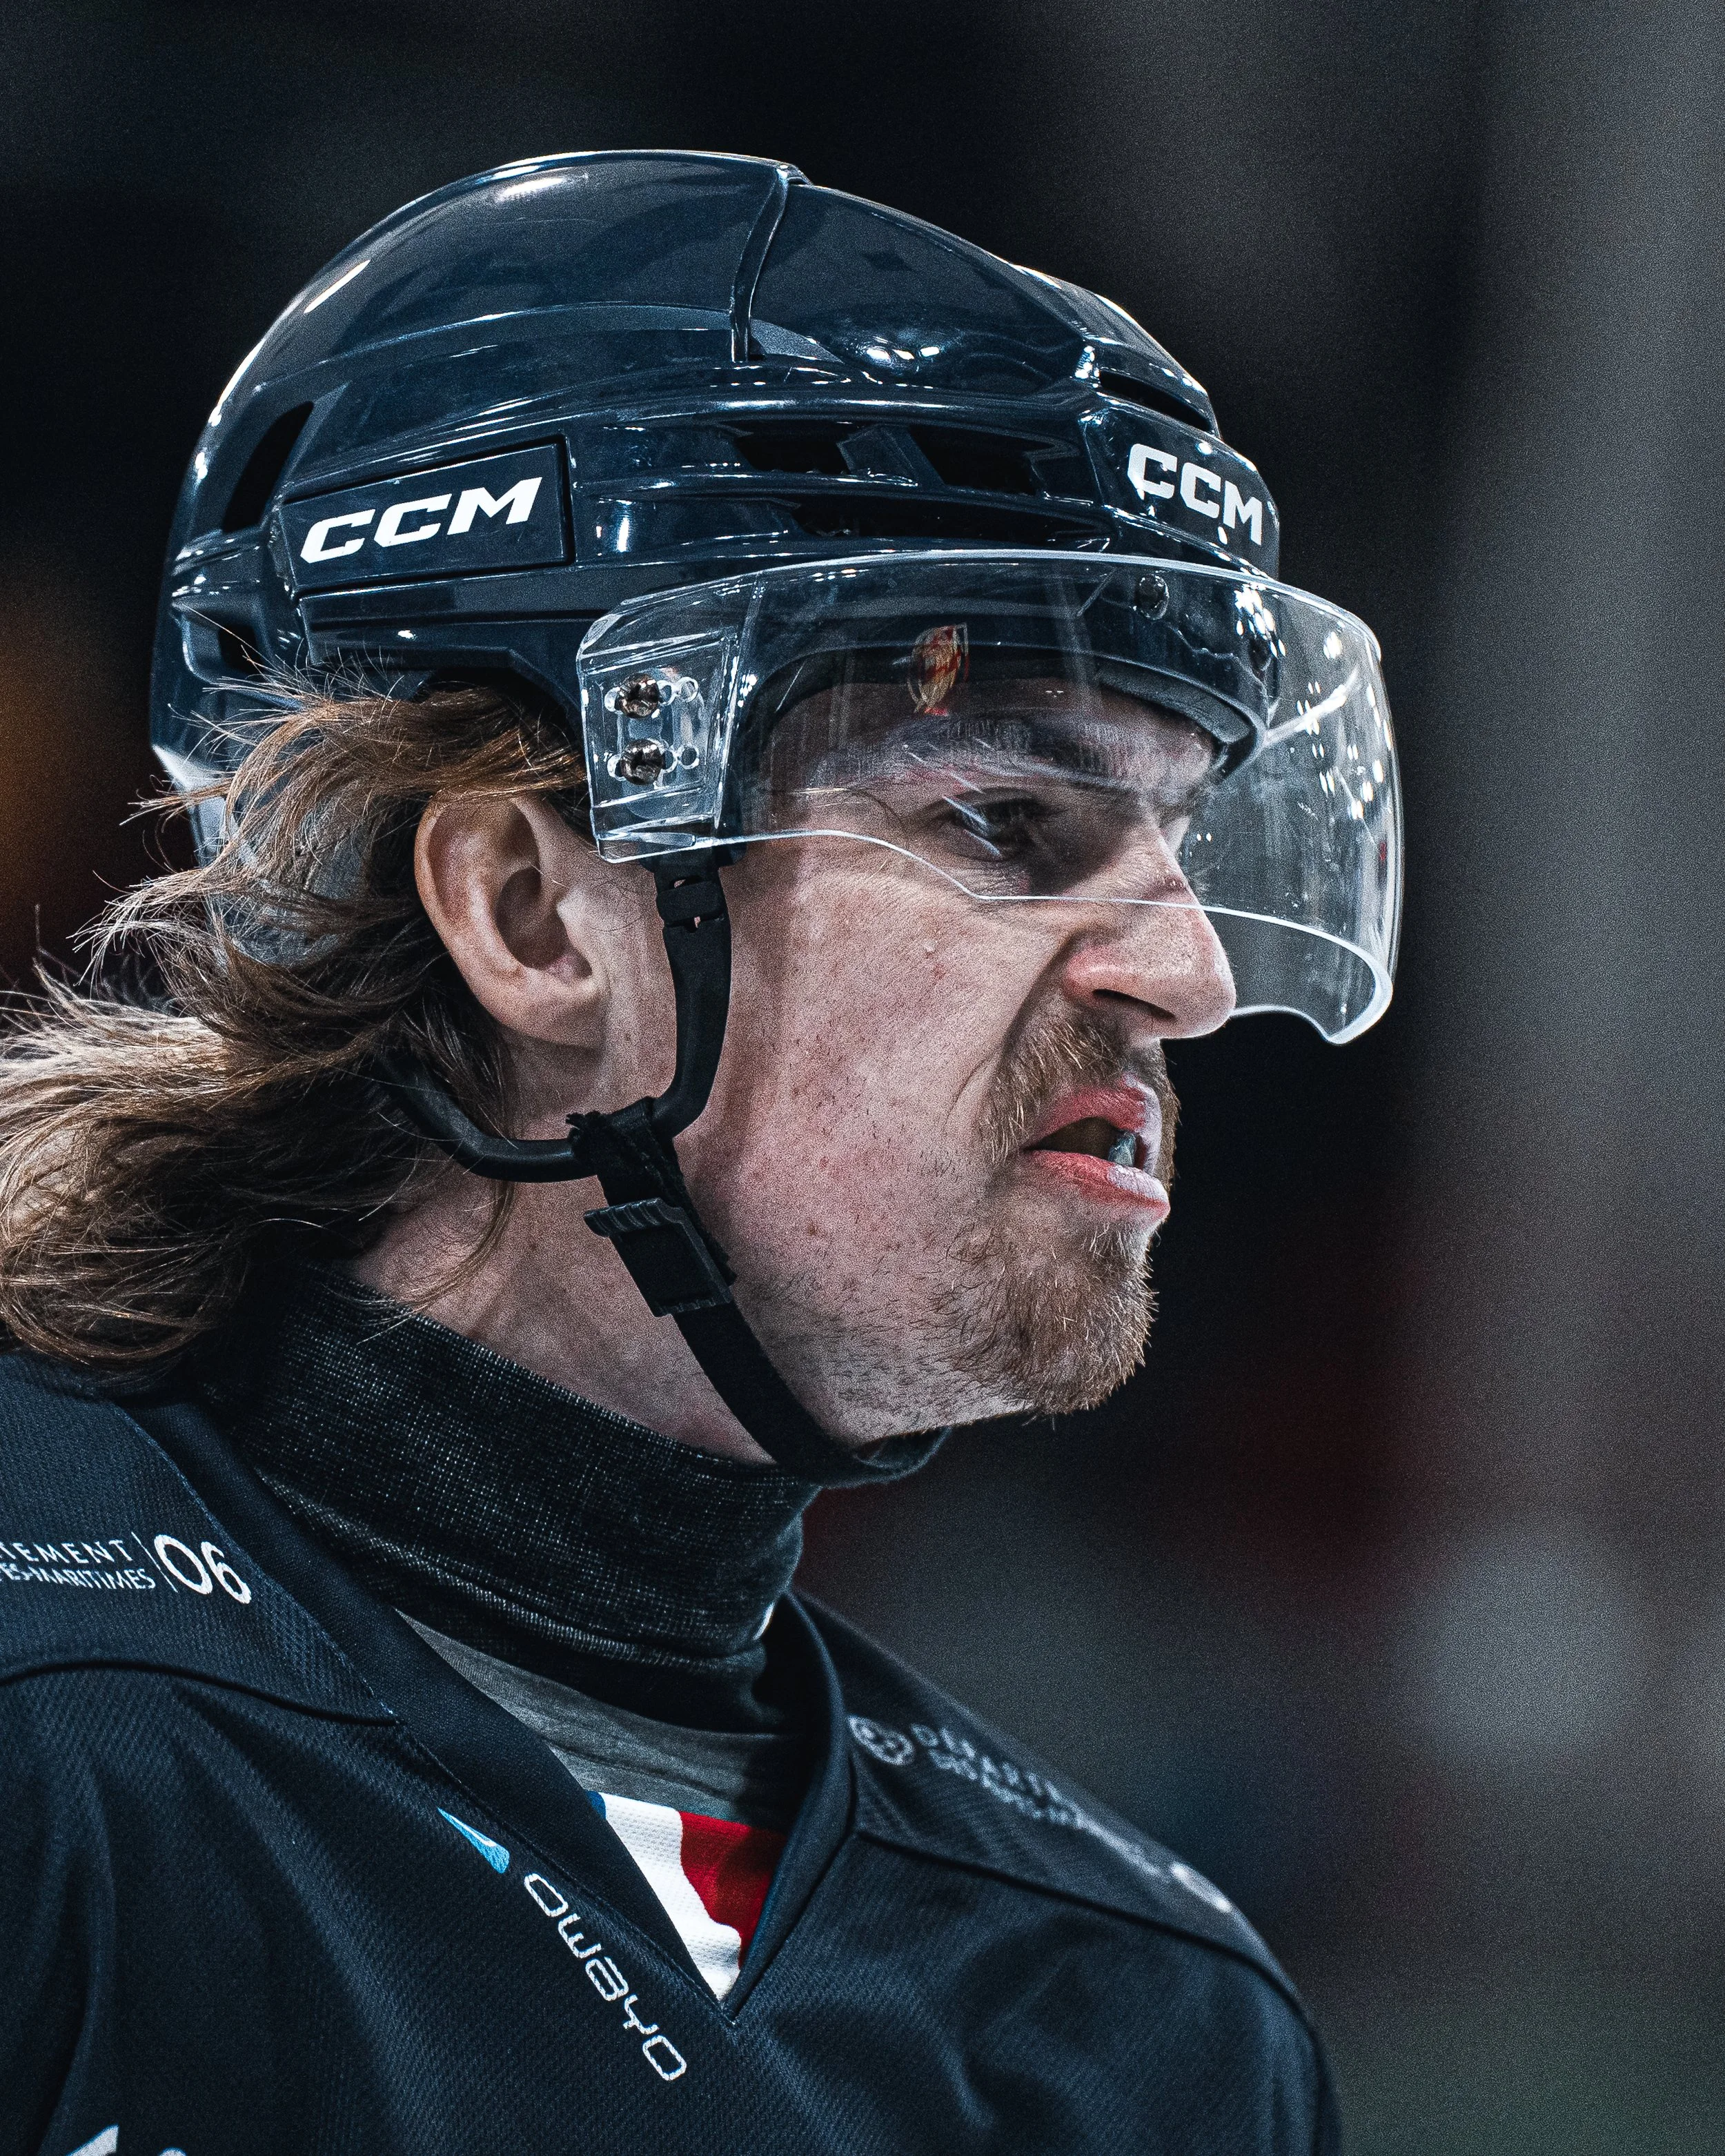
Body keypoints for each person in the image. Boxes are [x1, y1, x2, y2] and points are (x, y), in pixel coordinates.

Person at [0, 152, 1399, 2153]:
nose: (1181, 967)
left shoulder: (1145, 2027)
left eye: (1179, 840)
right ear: (532, 909)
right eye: (1005, 818)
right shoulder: (51, 1741)